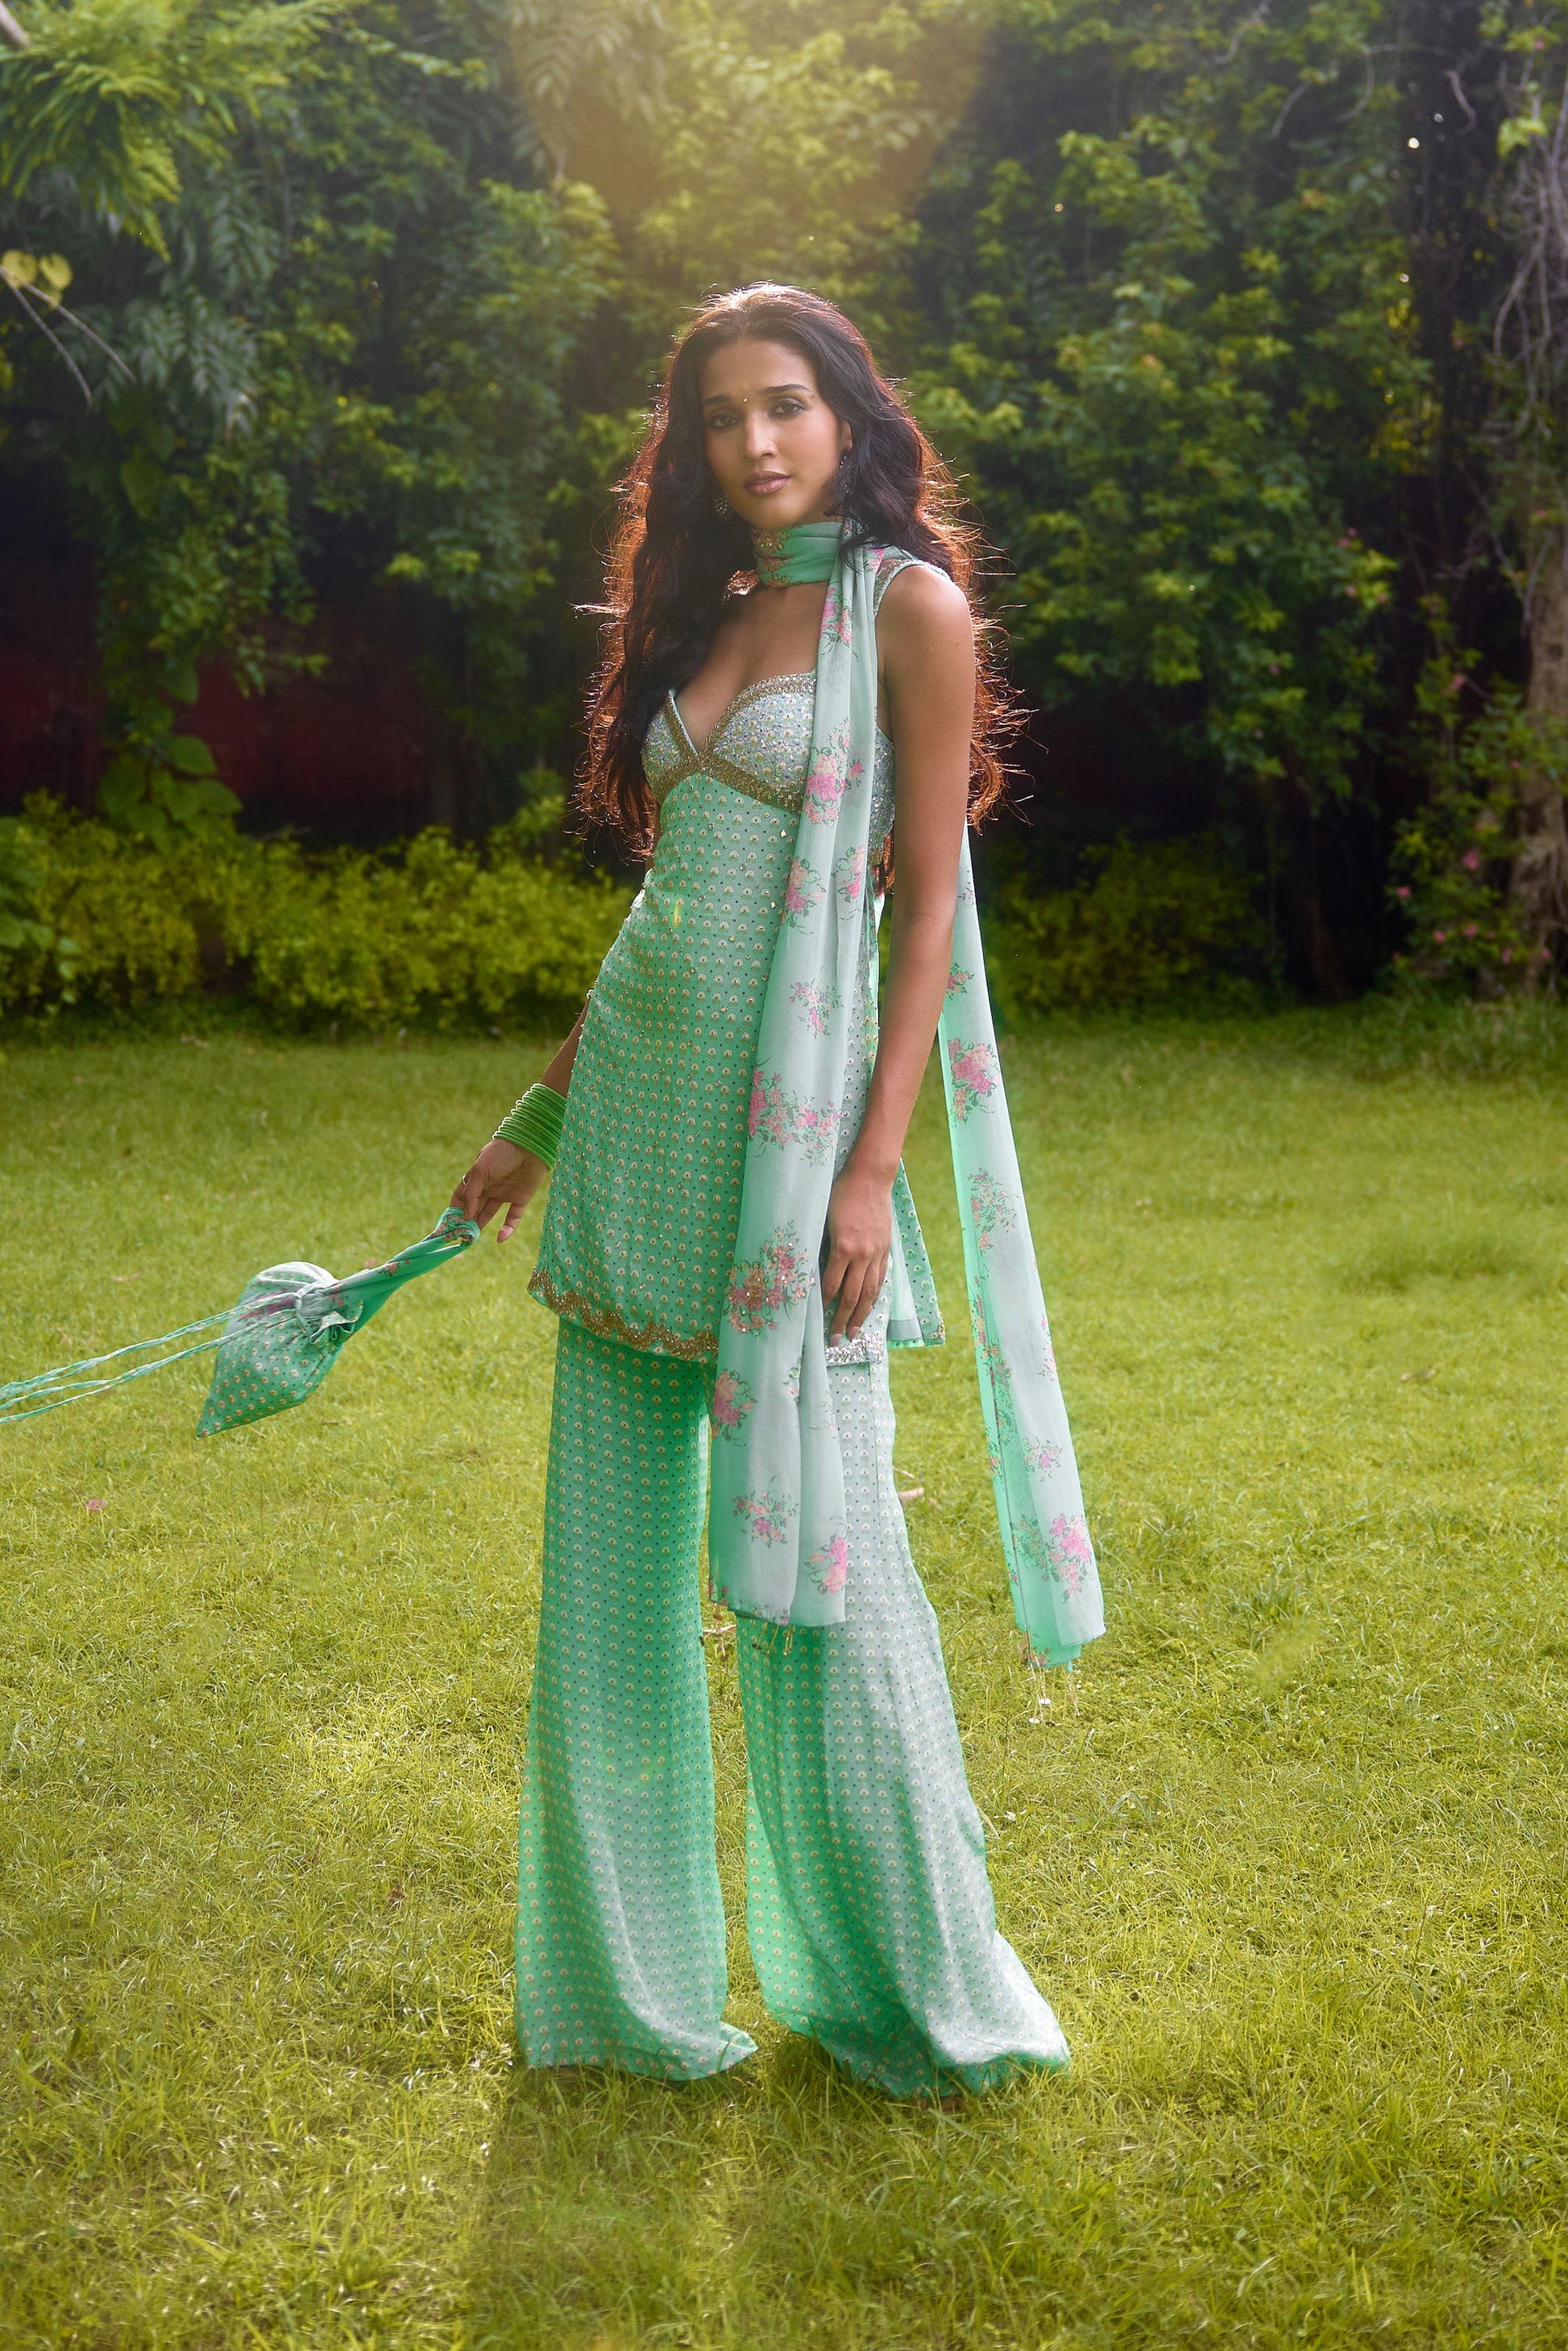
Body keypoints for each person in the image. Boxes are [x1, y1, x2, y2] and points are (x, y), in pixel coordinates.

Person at [453, 283, 1101, 2099]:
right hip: (636, 1137)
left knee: (834, 1579)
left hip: (791, 1163)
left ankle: (903, 1985)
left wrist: (871, 1172)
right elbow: (669, 915)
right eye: (722, 413)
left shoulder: (908, 609)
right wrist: (535, 1119)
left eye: (787, 403)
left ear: (850, 415)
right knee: (608, 1591)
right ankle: (623, 1998)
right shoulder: (719, 604)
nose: (754, 440)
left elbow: (929, 911)